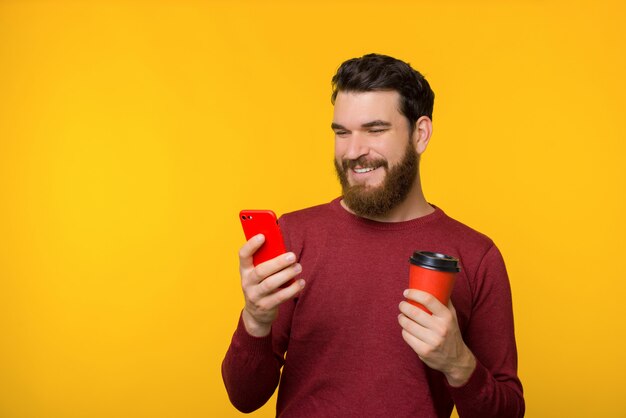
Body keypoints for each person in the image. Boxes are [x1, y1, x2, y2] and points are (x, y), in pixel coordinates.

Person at [222, 53, 524, 418]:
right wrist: (255, 321)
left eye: (375, 130)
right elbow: (244, 397)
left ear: (420, 134)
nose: (353, 151)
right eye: (342, 133)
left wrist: (458, 364)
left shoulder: (476, 256)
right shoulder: (295, 236)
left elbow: (507, 411)